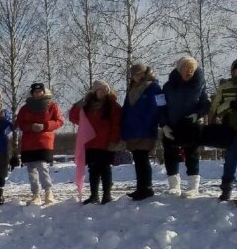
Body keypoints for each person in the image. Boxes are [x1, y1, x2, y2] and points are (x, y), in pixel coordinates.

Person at [162, 56, 210, 197]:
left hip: (191, 125)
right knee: (170, 154)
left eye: (192, 69)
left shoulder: (200, 84)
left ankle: (193, 187)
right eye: (185, 68)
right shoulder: (167, 86)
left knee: (192, 154)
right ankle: (174, 186)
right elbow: (160, 107)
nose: (189, 72)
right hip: (171, 125)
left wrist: (197, 114)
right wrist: (164, 125)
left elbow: (205, 104)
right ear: (179, 69)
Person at [70, 80, 123, 204]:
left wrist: (114, 140)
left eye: (106, 90)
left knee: (105, 169)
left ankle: (107, 195)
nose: (103, 93)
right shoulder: (87, 106)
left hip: (106, 143)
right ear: (95, 92)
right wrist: (77, 105)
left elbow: (117, 124)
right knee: (93, 169)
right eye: (100, 90)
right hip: (91, 143)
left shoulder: (113, 106)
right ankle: (94, 195)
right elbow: (74, 118)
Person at [121, 64, 165, 201]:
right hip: (132, 129)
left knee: (143, 158)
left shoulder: (154, 87)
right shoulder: (132, 89)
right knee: (138, 159)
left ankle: (147, 188)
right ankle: (141, 187)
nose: (138, 76)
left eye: (140, 73)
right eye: (135, 74)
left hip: (145, 128)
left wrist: (146, 121)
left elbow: (158, 108)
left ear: (146, 73)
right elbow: (126, 108)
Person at [15, 82, 63, 205]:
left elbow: (59, 121)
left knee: (43, 167)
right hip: (29, 143)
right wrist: (31, 126)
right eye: (36, 92)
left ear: (44, 91)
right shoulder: (25, 108)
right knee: (31, 170)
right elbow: (20, 123)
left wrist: (45, 125)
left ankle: (48, 191)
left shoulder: (52, 106)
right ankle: (35, 194)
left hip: (44, 142)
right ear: (32, 93)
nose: (38, 93)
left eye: (40, 91)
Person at [208, 58, 237, 201]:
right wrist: (230, 104)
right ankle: (227, 189)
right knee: (231, 160)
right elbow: (216, 109)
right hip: (231, 130)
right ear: (233, 71)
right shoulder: (225, 87)